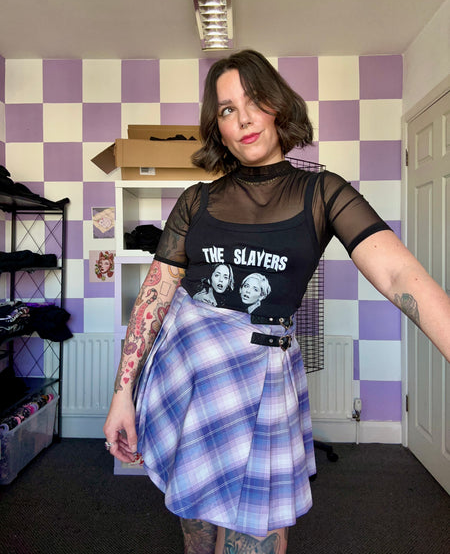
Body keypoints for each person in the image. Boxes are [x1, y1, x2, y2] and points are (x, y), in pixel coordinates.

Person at [104, 49, 450, 554]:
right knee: (196, 523)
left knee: (256, 530)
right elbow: (154, 299)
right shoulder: (196, 201)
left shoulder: (322, 193)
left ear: (278, 106)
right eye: (227, 110)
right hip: (188, 377)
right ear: (218, 129)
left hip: (264, 382)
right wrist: (122, 394)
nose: (243, 118)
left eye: (254, 101)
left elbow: (399, 274)